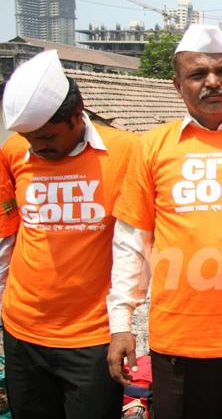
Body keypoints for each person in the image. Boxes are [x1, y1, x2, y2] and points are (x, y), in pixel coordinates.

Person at [106, 25, 222, 418]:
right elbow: (131, 240)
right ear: (177, 85)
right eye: (197, 74)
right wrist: (121, 322)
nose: (213, 82)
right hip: (178, 345)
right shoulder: (153, 146)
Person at [0, 50, 137, 418]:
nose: (37, 146)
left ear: (78, 115)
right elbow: (5, 236)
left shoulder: (126, 153)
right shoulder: (14, 152)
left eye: (46, 137)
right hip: (21, 332)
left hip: (91, 339)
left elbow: (136, 243)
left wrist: (124, 325)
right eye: (29, 137)